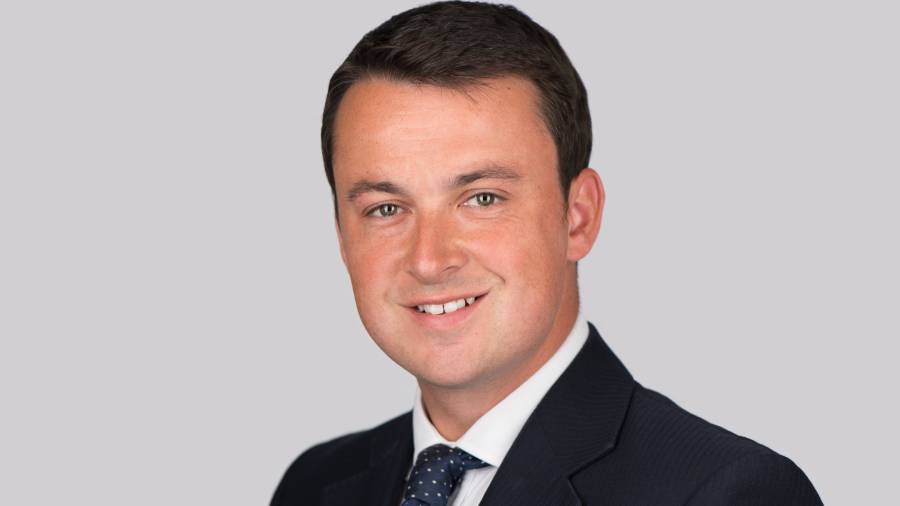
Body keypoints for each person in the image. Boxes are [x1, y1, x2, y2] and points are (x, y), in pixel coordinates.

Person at [271, 2, 823, 505]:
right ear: (342, 237)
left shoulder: (728, 491)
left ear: (577, 217)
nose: (429, 259)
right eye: (386, 209)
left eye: (481, 198)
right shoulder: (314, 486)